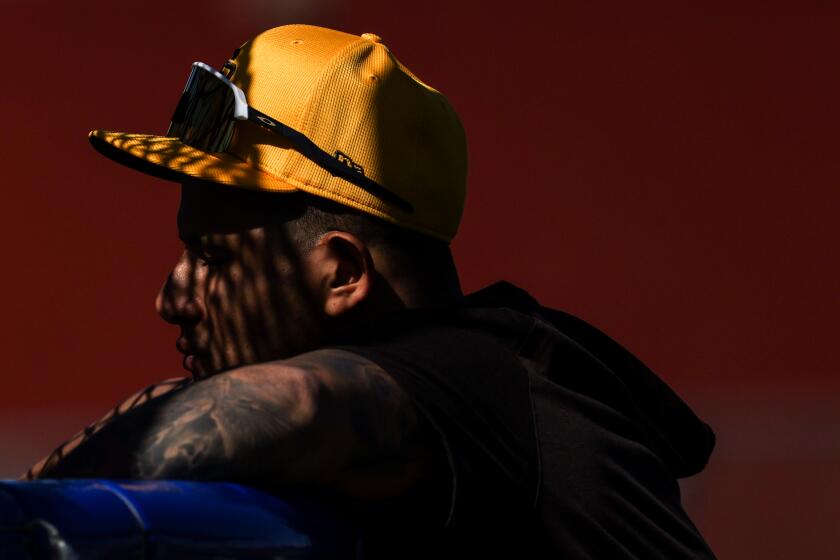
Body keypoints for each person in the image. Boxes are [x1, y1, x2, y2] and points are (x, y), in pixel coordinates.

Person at [26, 24, 717, 558]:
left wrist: (32, 498)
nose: (170, 298)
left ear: (343, 273)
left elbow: (191, 438)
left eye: (209, 257)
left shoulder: (468, 373)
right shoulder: (471, 395)